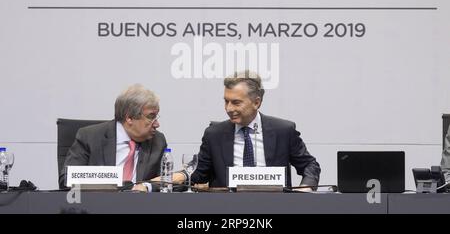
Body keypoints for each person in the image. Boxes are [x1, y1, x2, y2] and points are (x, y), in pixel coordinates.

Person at [175, 70, 321, 189]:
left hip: (275, 206)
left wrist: (305, 190)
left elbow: (310, 165)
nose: (229, 108)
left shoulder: (283, 130)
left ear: (256, 102)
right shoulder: (214, 134)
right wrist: (178, 177)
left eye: (236, 102)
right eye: (226, 101)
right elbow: (199, 173)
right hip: (226, 208)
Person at [59, 84, 166, 192]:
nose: (157, 124)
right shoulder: (89, 137)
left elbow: (168, 183)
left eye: (156, 117)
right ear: (129, 118)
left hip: (141, 206)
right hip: (98, 205)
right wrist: (111, 178)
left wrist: (147, 186)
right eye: (151, 117)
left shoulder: (158, 141)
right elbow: (66, 179)